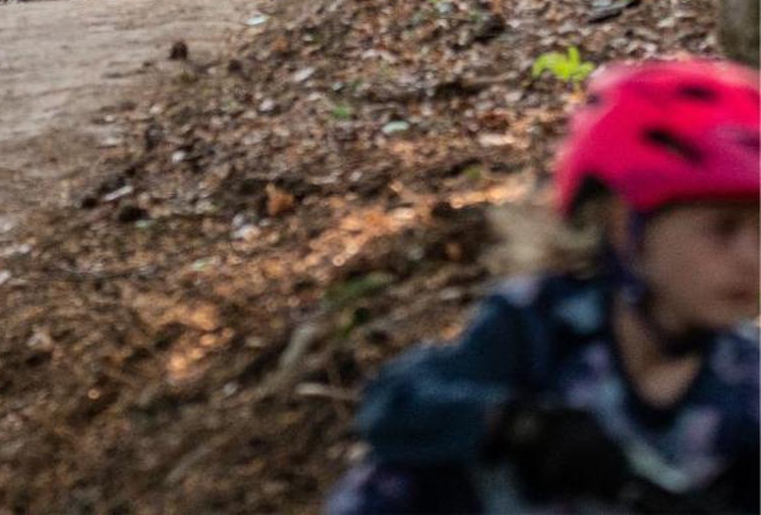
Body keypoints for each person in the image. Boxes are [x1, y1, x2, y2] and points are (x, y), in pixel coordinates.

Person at [325, 58, 760, 514]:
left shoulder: (746, 385)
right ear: (620, 226)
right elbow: (392, 407)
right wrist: (517, 427)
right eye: (722, 229)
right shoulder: (541, 325)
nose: (753, 258)